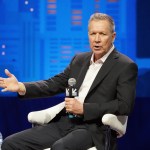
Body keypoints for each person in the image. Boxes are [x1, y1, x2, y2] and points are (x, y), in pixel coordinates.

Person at [0, 13, 138, 150]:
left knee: (60, 148)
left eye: (102, 34)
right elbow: (53, 84)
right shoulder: (79, 60)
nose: (96, 39)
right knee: (10, 143)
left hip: (94, 128)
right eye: (92, 33)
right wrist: (21, 86)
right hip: (65, 122)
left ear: (113, 36)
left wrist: (84, 109)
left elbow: (124, 105)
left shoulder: (125, 65)